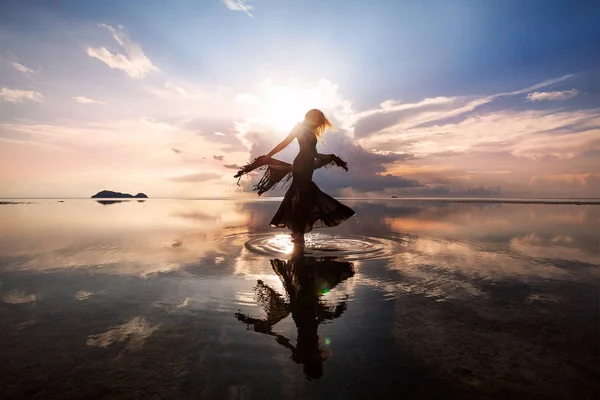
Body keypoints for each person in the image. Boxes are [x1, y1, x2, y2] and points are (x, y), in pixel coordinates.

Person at [235, 109, 355, 244]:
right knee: (305, 196)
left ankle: (297, 233)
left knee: (303, 198)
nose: (318, 125)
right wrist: (269, 156)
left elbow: (315, 155)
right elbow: (284, 143)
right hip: (300, 165)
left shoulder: (311, 132)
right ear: (311, 118)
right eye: (317, 121)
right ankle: (298, 233)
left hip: (308, 167)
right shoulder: (299, 128)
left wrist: (332, 157)